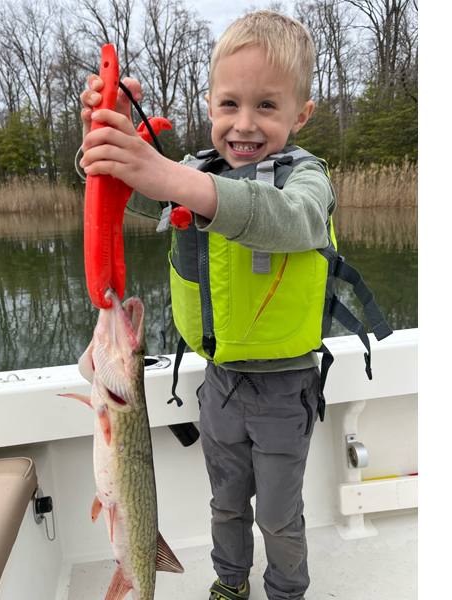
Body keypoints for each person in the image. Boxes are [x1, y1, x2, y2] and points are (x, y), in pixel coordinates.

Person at [79, 11, 347, 600]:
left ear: (301, 114)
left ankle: (286, 591)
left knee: (278, 514)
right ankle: (231, 582)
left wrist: (175, 179)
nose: (244, 125)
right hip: (220, 384)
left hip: (284, 390)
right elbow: (133, 197)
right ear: (208, 105)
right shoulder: (195, 173)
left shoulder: (308, 182)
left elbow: (290, 220)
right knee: (225, 503)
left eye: (267, 107)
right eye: (229, 104)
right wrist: (111, 145)